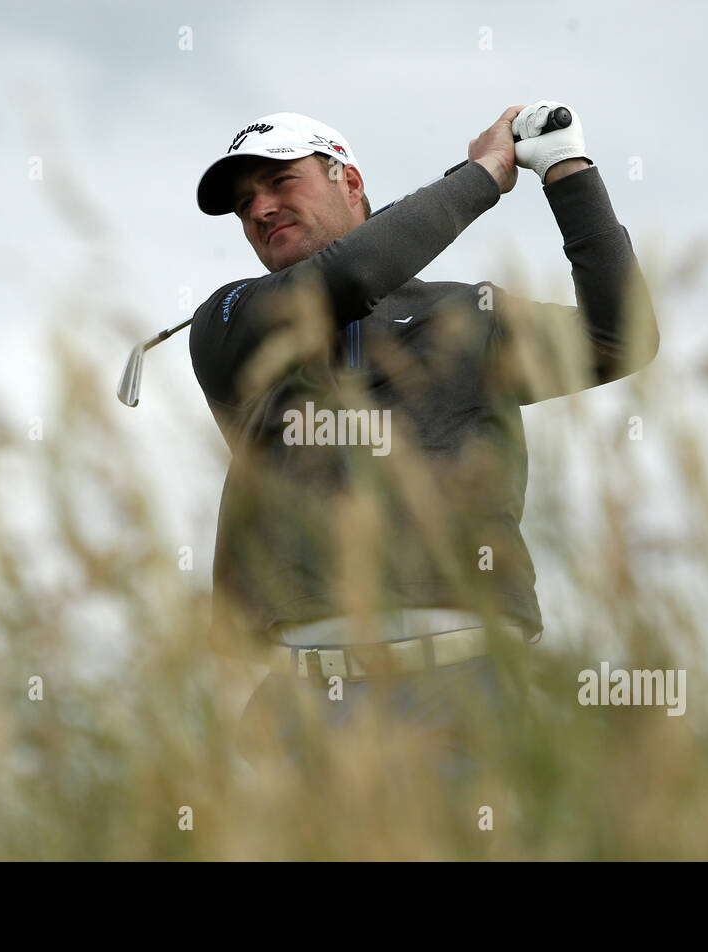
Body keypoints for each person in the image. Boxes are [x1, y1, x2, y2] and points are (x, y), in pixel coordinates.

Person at [188, 104, 659, 784]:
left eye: (280, 182)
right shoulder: (231, 323)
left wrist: (565, 169)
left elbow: (621, 338)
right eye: (243, 203)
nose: (259, 208)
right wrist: (481, 177)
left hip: (466, 692)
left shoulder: (466, 317)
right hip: (309, 706)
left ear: (348, 180)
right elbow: (346, 279)